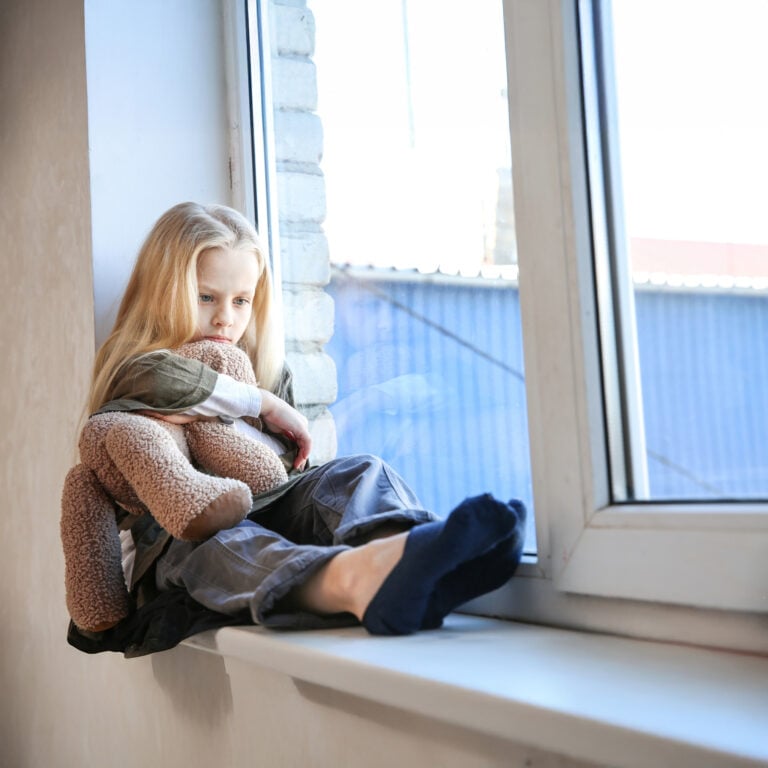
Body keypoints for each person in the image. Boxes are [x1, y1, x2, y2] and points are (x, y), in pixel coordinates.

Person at [67, 201, 526, 655]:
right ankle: (356, 583)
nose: (226, 317)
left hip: (271, 501)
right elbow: (171, 383)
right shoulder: (134, 368)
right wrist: (260, 402)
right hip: (182, 537)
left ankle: (407, 552)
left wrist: (274, 405)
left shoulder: (261, 365)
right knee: (229, 544)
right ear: (163, 293)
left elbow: (288, 470)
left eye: (241, 300)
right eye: (206, 297)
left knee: (360, 471)